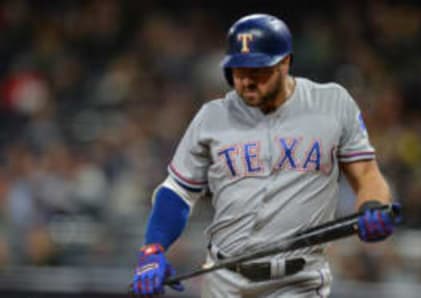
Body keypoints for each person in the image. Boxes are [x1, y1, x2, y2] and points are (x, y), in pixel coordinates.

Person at [131, 13, 400, 297]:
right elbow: (178, 192)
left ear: (285, 63)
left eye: (257, 71)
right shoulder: (212, 117)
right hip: (224, 280)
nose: (246, 81)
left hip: (299, 281)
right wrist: (153, 247)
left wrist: (372, 204)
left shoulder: (331, 103)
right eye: (238, 70)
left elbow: (367, 174)